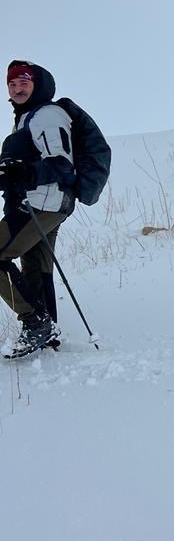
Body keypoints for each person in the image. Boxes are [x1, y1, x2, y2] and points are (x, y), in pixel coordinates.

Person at [0, 60, 76, 357]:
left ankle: (36, 323)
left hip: (43, 202)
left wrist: (22, 173)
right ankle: (47, 333)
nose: (17, 88)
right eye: (12, 83)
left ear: (37, 85)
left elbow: (61, 163)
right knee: (36, 265)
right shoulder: (28, 118)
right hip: (47, 203)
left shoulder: (46, 115)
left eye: (24, 82)